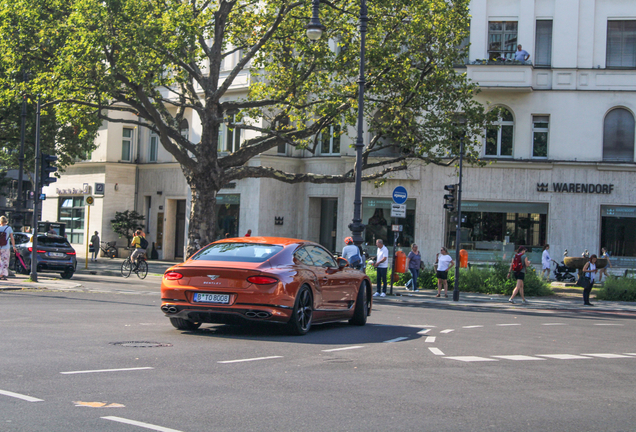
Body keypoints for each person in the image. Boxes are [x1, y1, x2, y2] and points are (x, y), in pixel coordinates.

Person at [0, 216, 18, 281]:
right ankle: (2, 275)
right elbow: (12, 238)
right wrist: (14, 246)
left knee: (0, 261)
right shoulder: (9, 228)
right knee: (5, 261)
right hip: (6, 247)